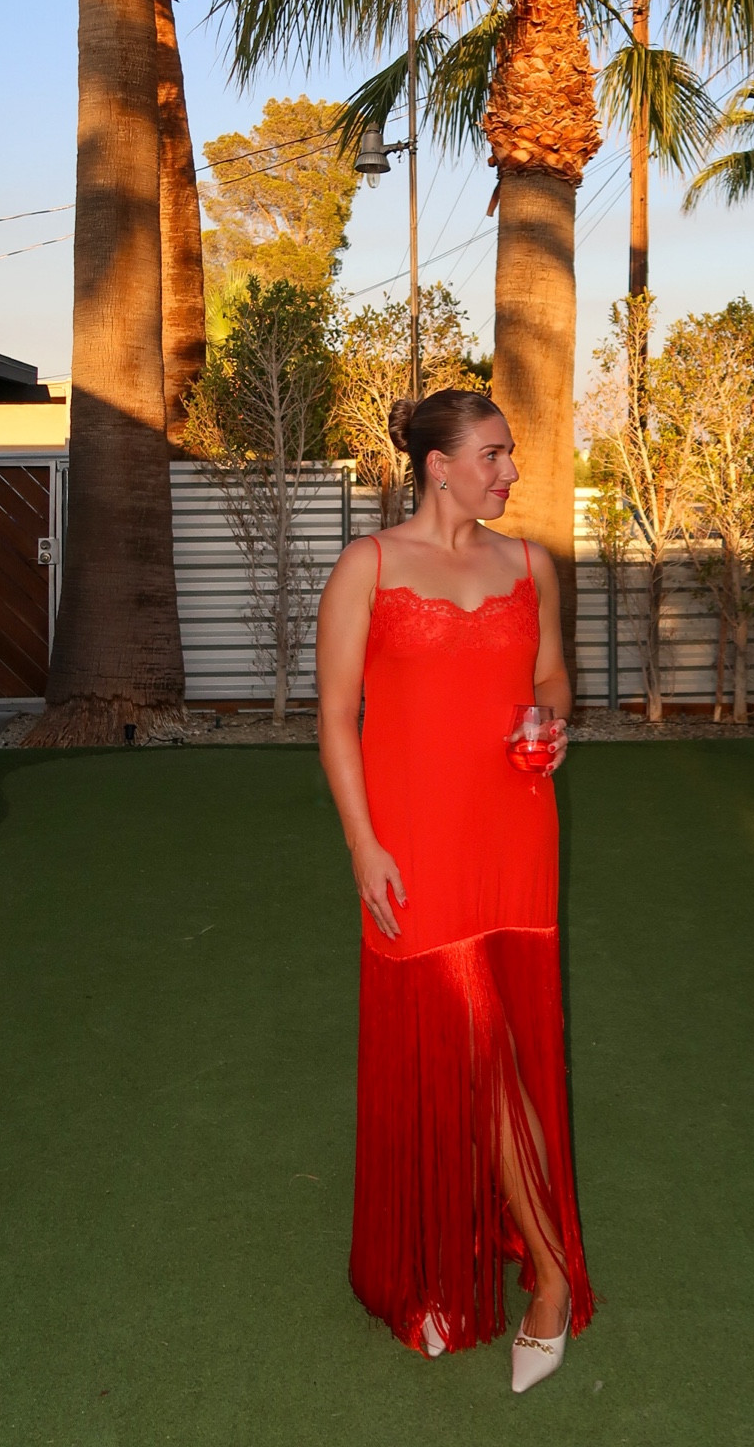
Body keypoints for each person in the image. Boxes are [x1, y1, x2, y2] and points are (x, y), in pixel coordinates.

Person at [315, 388, 594, 1393]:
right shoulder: (371, 566)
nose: (510, 470)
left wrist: (550, 723)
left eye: (509, 452)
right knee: (464, 1053)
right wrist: (362, 844)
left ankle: (522, 1272)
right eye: (492, 453)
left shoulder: (529, 566)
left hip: (515, 839)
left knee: (499, 1052)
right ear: (438, 465)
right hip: (415, 852)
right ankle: (512, 1276)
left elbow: (553, 676)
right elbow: (336, 717)